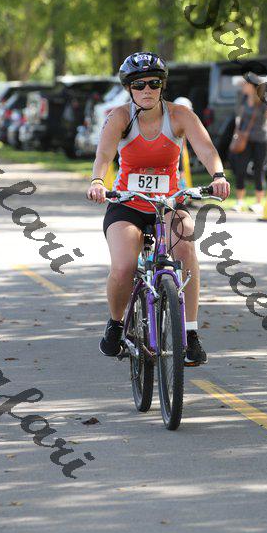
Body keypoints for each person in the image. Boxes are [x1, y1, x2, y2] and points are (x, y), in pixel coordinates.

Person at [87, 52, 230, 366]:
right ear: (129, 89)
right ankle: (115, 324)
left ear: (162, 85)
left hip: (168, 202)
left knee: (186, 246)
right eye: (139, 85)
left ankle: (190, 333)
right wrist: (98, 181)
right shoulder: (120, 117)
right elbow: (104, 155)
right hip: (127, 203)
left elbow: (206, 149)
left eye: (153, 83)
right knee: (124, 266)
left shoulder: (179, 115)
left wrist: (218, 175)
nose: (147, 90)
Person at [230, 77, 267, 214]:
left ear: (252, 86)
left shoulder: (264, 101)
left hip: (261, 140)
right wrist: (236, 133)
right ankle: (239, 201)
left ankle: (258, 203)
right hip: (244, 140)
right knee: (240, 169)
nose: (243, 86)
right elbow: (240, 118)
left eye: (245, 84)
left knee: (259, 170)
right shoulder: (243, 98)